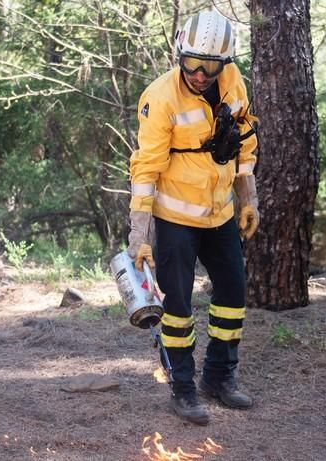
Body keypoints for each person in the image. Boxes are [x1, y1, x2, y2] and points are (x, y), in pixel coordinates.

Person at [127, 10, 259, 425]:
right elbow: (145, 169)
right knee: (178, 307)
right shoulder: (160, 97)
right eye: (193, 64)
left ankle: (219, 377)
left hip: (219, 212)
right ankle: (183, 387)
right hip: (175, 218)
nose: (201, 75)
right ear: (179, 54)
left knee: (233, 296)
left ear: (226, 63)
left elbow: (244, 138)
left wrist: (248, 197)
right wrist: (140, 233)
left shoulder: (233, 82)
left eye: (211, 66)